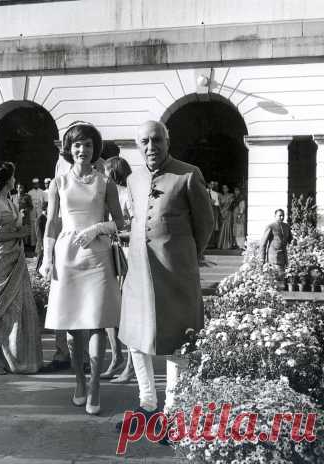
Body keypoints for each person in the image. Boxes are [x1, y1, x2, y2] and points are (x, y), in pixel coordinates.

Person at [117, 121, 213, 429]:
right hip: (139, 272)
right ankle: (147, 404)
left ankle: (173, 414)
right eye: (144, 141)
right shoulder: (133, 179)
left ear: (167, 141)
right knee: (134, 336)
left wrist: (187, 258)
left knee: (177, 341)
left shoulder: (188, 174)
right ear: (138, 144)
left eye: (156, 140)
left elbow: (206, 224)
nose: (150, 146)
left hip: (176, 274)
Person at [39, 121, 124, 415]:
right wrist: (47, 259)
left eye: (88, 145)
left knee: (98, 322)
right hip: (67, 256)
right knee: (74, 327)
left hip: (98, 257)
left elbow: (121, 224)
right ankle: (79, 381)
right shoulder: (58, 183)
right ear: (69, 148)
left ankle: (96, 387)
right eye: (77, 144)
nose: (82, 150)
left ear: (94, 148)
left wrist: (98, 228)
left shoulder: (106, 182)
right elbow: (51, 223)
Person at [0, 161, 43, 375]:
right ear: (6, 179)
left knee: (16, 307)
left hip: (14, 257)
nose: (15, 180)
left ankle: (15, 358)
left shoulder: (8, 200)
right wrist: (18, 234)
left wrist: (21, 226)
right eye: (13, 177)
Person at [100, 156, 135, 384]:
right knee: (107, 310)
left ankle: (131, 365)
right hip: (109, 254)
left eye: (105, 171)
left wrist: (116, 233)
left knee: (128, 313)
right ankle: (117, 358)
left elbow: (137, 227)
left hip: (126, 254)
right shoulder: (105, 195)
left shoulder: (128, 195)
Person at [259, 208, 292, 279]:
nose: (282, 217)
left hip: (283, 257)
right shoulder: (271, 226)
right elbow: (263, 243)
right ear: (275, 216)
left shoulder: (286, 227)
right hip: (273, 257)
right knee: (274, 279)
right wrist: (262, 259)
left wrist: (294, 241)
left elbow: (290, 240)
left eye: (283, 215)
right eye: (280, 215)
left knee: (281, 279)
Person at [11, 183, 33, 248]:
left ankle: (24, 247)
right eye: (19, 187)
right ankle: (16, 246)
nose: (20, 189)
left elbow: (31, 207)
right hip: (15, 218)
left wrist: (25, 210)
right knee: (16, 232)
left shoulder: (27, 197)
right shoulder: (12, 197)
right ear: (16, 188)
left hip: (24, 217)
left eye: (21, 187)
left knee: (24, 232)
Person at [28, 178, 45, 248]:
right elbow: (28, 203)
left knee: (40, 227)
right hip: (32, 212)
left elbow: (45, 202)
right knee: (33, 228)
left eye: (37, 183)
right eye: (34, 183)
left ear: (39, 183)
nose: (36, 184)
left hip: (40, 212)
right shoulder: (29, 192)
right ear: (33, 184)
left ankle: (40, 244)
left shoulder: (42, 192)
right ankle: (33, 244)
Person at [217, 184, 234, 249]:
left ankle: (228, 244)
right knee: (222, 228)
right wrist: (221, 213)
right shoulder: (220, 196)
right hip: (222, 214)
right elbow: (219, 205)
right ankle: (221, 244)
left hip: (228, 213)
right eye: (223, 188)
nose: (224, 189)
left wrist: (224, 212)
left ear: (228, 189)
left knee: (228, 227)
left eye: (226, 188)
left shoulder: (231, 195)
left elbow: (230, 205)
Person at [206, 180, 220, 248]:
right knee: (205, 227)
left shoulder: (215, 193)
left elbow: (217, 203)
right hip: (205, 211)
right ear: (207, 184)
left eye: (212, 184)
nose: (211, 185)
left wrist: (213, 202)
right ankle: (205, 244)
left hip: (212, 210)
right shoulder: (203, 192)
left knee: (212, 227)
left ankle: (212, 244)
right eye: (210, 184)